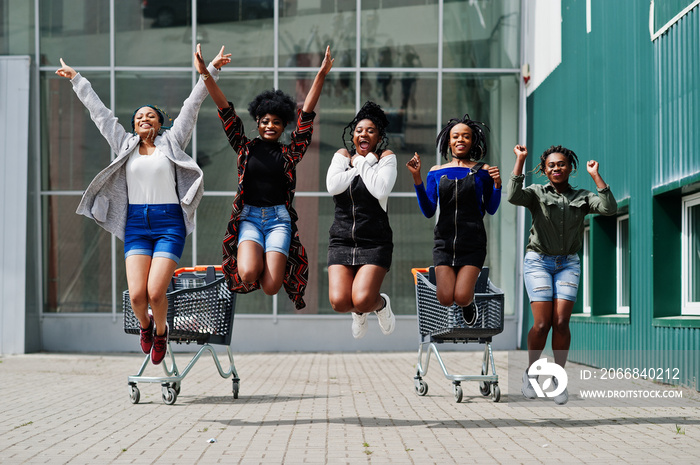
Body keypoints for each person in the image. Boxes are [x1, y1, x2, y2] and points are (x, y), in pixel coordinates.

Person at [56, 49, 223, 364]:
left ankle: (161, 333)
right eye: (138, 117)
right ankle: (147, 327)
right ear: (133, 125)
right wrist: (77, 80)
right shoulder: (124, 144)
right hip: (136, 224)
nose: (143, 119)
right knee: (136, 296)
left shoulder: (172, 142)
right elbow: (101, 114)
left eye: (150, 116)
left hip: (169, 223)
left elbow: (192, 104)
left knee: (156, 293)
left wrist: (209, 69)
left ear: (160, 123)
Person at [194, 44, 333, 310]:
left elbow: (307, 116)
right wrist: (205, 72)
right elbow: (224, 109)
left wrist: (321, 74)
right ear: (257, 123)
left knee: (270, 288)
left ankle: (266, 261)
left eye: (277, 122)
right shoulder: (244, 147)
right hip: (249, 219)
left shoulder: (291, 153)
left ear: (283, 127)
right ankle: (253, 260)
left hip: (279, 221)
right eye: (265, 121)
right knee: (247, 274)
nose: (270, 125)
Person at [508, 144, 616, 404]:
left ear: (570, 168)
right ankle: (531, 374)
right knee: (542, 323)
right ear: (545, 170)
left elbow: (609, 208)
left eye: (561, 164)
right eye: (551, 165)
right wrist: (520, 160)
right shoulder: (535, 193)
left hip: (568, 263)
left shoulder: (582, 195)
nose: (556, 168)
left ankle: (557, 379)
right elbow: (512, 196)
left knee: (561, 323)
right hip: (538, 262)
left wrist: (596, 176)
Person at [406, 114, 501, 326]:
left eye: (466, 136)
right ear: (449, 141)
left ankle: (469, 304)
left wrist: (497, 185)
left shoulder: (483, 171)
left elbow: (492, 208)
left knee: (461, 296)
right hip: (444, 244)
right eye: (455, 136)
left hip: (473, 243)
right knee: (445, 298)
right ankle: (460, 296)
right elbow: (429, 211)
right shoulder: (435, 172)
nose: (460, 140)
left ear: (473, 141)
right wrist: (417, 179)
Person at [327, 101, 398, 339]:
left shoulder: (386, 158)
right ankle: (359, 312)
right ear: (353, 135)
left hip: (374, 242)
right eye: (359, 130)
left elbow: (380, 189)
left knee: (363, 299)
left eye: (370, 130)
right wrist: (359, 163)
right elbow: (333, 186)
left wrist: (362, 162)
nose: (363, 134)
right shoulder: (342, 156)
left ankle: (380, 305)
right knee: (339, 302)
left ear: (378, 137)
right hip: (342, 240)